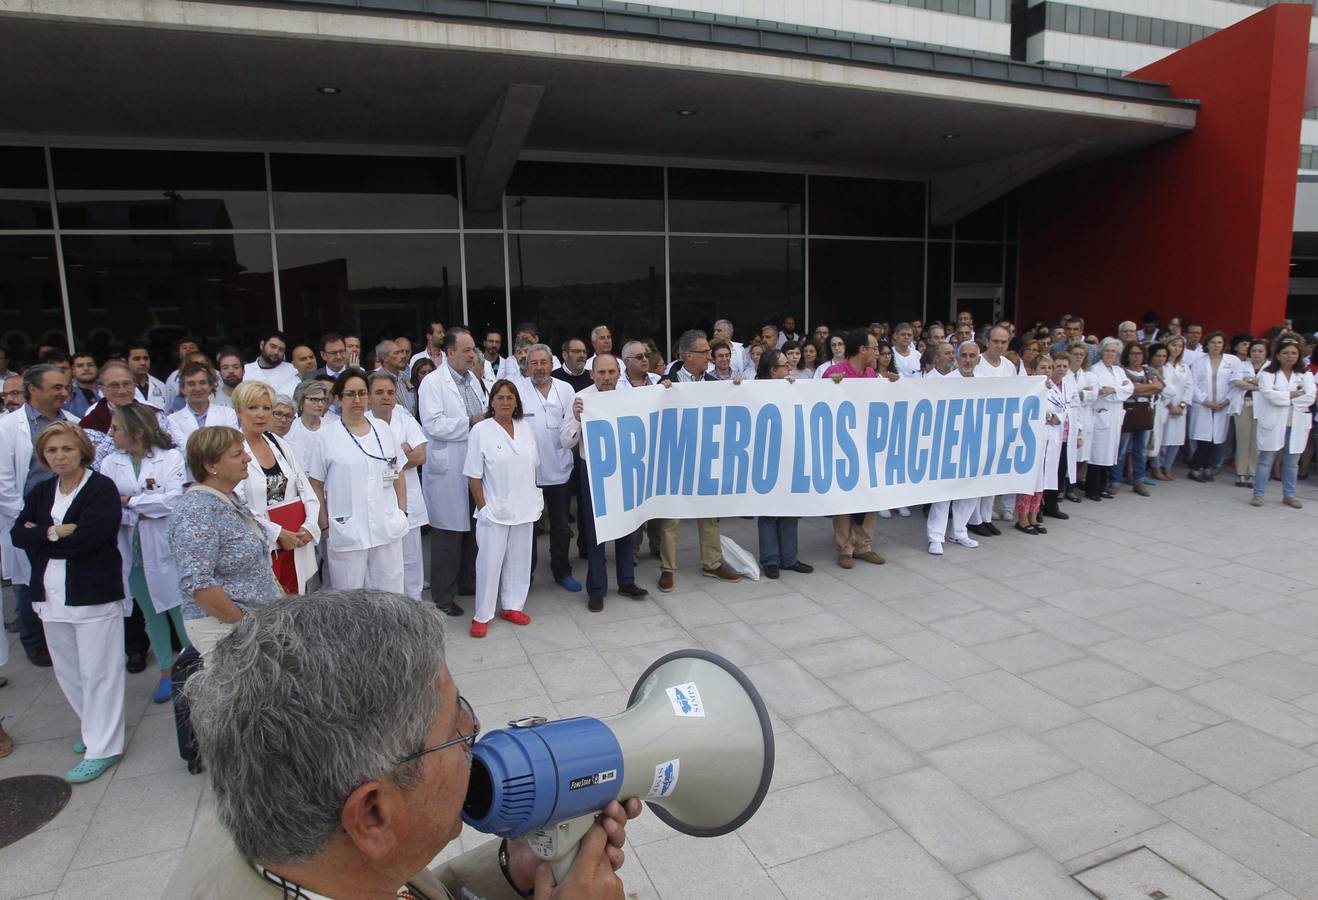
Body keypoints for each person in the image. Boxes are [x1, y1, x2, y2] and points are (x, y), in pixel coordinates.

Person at [166, 589, 640, 899]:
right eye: (456, 730)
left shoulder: (265, 829)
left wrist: (511, 869)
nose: (474, 734)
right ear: (372, 815)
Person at [11, 422, 125, 783]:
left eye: (66, 449)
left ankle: (104, 747)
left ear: (82, 451)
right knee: (69, 670)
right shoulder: (44, 491)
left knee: (100, 671)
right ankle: (93, 728)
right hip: (49, 593)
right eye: (51, 451)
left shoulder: (101, 489)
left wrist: (39, 535)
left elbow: (88, 540)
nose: (59, 456)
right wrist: (52, 531)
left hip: (91, 593)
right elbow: (17, 533)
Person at [101, 403, 191, 704]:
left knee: (179, 610)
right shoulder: (110, 464)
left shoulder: (169, 457)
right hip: (132, 551)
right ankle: (166, 671)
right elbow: (110, 505)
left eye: (116, 428)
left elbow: (174, 501)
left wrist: (131, 501)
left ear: (136, 431)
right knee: (151, 615)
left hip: (165, 548)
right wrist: (142, 503)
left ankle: (192, 668)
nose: (111, 434)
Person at [169, 426, 282, 660]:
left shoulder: (226, 499)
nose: (248, 458)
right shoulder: (196, 511)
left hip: (250, 624)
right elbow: (198, 583)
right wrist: (242, 624)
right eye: (236, 454)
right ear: (211, 466)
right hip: (225, 630)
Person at [0, 364, 76, 668]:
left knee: (60, 577)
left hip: (67, 514)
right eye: (56, 387)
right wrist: (23, 519)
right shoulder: (8, 428)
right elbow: (3, 480)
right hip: (27, 516)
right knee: (31, 583)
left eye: (64, 386)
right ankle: (34, 643)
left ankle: (64, 636)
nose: (63, 392)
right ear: (33, 390)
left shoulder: (72, 422)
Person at [561, 354, 649, 611]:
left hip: (624, 469)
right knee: (595, 531)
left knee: (626, 526)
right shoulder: (580, 399)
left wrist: (666, 388)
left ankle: (626, 581)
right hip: (593, 471)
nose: (607, 377)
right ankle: (597, 589)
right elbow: (565, 441)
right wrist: (577, 420)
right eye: (602, 373)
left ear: (619, 373)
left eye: (611, 372)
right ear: (592, 374)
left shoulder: (630, 395)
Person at [307, 370, 408, 592]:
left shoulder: (383, 430)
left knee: (390, 595)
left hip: (386, 526)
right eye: (350, 394)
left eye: (362, 393)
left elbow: (397, 471)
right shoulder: (325, 437)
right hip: (347, 530)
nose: (357, 400)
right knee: (349, 598)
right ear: (338, 399)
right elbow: (315, 485)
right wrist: (325, 526)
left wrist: (402, 512)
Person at [658, 331, 741, 591]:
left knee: (710, 512)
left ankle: (712, 562)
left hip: (706, 457)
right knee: (672, 516)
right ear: (688, 355)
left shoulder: (715, 383)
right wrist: (661, 393)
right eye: (705, 352)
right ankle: (668, 568)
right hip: (676, 458)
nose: (710, 357)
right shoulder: (664, 383)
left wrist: (739, 391)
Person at [462, 380, 542, 637]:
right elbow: (473, 475)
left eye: (510, 398)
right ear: (492, 401)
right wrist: (483, 507)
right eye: (500, 397)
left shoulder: (525, 428)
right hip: (494, 510)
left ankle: (512, 606)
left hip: (525, 507)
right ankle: (481, 616)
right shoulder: (481, 430)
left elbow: (532, 467)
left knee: (519, 561)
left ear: (516, 402)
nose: (505, 402)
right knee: (489, 564)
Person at [419, 327, 488, 618]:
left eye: (473, 349)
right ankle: (443, 598)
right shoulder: (433, 383)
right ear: (449, 353)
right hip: (449, 468)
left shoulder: (475, 380)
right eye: (467, 350)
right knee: (448, 535)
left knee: (473, 529)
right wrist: (471, 421)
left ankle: (467, 582)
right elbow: (432, 425)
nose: (472, 355)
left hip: (474, 465)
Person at [232, 381, 320, 595]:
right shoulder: (232, 449)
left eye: (266, 408)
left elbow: (304, 488)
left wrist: (309, 525)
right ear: (239, 411)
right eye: (253, 408)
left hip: (295, 543)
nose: (261, 414)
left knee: (297, 604)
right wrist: (278, 533)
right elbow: (238, 506)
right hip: (263, 547)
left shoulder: (279, 444)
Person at [517, 345, 581, 593]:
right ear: (527, 366)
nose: (539, 368)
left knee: (561, 524)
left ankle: (562, 570)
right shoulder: (518, 389)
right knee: (529, 526)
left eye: (543, 362)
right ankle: (526, 575)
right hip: (528, 472)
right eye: (534, 363)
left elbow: (572, 423)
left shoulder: (565, 389)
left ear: (551, 364)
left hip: (560, 467)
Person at [823, 331, 887, 566]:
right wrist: (831, 387)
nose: (877, 353)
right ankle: (845, 547)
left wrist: (895, 386)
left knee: (869, 493)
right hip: (842, 445)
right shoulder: (834, 373)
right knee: (845, 494)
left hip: (868, 444)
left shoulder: (871, 374)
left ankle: (863, 544)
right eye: (874, 348)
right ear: (862, 350)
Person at [366, 370, 428, 599]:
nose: (386, 397)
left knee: (411, 562)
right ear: (369, 396)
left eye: (390, 392)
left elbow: (421, 456)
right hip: (378, 505)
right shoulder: (363, 424)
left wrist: (388, 459)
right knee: (383, 567)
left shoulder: (405, 418)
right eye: (379, 392)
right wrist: (400, 453)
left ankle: (415, 608)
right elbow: (369, 465)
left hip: (409, 500)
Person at [755, 351, 813, 577]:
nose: (789, 369)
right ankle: (771, 559)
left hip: (790, 453)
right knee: (769, 510)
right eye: (784, 365)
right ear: (772, 371)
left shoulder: (793, 387)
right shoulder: (752, 389)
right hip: (765, 457)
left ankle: (789, 558)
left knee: (790, 507)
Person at [928, 343, 984, 552]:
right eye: (964, 356)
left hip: (976, 442)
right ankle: (935, 536)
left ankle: (959, 531)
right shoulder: (945, 382)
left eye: (972, 356)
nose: (968, 360)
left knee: (971, 490)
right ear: (957, 358)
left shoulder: (988, 382)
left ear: (978, 359)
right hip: (949, 443)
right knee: (944, 492)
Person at [1251, 337, 1315, 508]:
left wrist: (1284, 395)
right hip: (1274, 421)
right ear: (1278, 355)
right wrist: (1293, 394)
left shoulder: (1306, 374)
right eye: (1286, 353)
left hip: (1297, 422)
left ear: (1299, 355)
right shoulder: (1268, 373)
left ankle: (1289, 495)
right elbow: (1269, 395)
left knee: (1292, 461)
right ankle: (1258, 494)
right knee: (1266, 459)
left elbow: (1310, 397)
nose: (1290, 356)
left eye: (1294, 353)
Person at [1082, 338, 1135, 500]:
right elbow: (1100, 392)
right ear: (1101, 352)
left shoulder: (1118, 371)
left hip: (1115, 416)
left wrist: (1113, 390)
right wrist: (1118, 392)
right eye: (1107, 350)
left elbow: (1130, 389)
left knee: (1110, 453)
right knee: (1097, 454)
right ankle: (1092, 490)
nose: (1110, 354)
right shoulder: (1094, 370)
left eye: (1113, 351)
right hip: (1101, 414)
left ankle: (1103, 487)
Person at [1188, 331, 1241, 483]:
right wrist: (1205, 401)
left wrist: (1226, 401)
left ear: (1224, 345)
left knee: (1215, 440)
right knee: (1204, 440)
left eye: (1219, 342)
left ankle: (1207, 467)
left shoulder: (1232, 361)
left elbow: (1235, 383)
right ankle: (1196, 468)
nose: (1216, 345)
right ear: (1207, 344)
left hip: (1222, 405)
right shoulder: (1199, 362)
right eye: (1213, 342)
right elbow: (1194, 384)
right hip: (1203, 405)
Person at [1016, 355, 1060, 534]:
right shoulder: (1030, 387)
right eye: (1043, 367)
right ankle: (1022, 518)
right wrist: (1048, 416)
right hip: (1032, 438)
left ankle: (1034, 516)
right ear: (1034, 369)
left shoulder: (1054, 389)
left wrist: (1055, 417)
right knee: (1029, 480)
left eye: (1049, 368)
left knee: (1041, 481)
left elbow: (1061, 411)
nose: (1047, 371)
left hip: (1050, 438)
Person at [1112, 342, 1161, 496]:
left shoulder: (1149, 371)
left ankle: (1139, 480)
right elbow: (1126, 391)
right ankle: (1115, 480)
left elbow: (1158, 387)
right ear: (1127, 355)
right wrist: (1146, 389)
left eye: (1139, 353)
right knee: (1122, 449)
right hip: (1128, 413)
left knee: (1141, 450)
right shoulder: (1122, 372)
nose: (1136, 357)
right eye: (1133, 353)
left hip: (1145, 414)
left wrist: (1135, 389)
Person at [166, 360, 239, 450]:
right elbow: (185, 450)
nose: (198, 388)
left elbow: (230, 445)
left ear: (211, 386)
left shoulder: (228, 413)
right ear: (182, 389)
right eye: (191, 384)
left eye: (202, 383)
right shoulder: (172, 420)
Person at [1041, 352, 1077, 520]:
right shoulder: (1045, 385)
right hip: (1051, 434)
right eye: (1058, 366)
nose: (1061, 369)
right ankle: (1039, 508)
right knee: (1045, 472)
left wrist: (1080, 431)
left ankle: (1052, 505)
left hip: (1066, 436)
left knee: (1060, 471)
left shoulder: (1070, 385)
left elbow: (1075, 408)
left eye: (1065, 366)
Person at [1150, 337, 1190, 481]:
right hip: (1165, 406)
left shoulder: (1185, 366)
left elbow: (1189, 387)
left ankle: (1168, 466)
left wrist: (1182, 405)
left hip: (1180, 409)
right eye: (1174, 345)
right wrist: (1170, 406)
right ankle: (1157, 466)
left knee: (1176, 440)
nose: (1177, 348)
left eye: (1180, 346)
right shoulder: (1162, 365)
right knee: (1161, 439)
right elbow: (1162, 388)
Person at [1232, 338, 1269, 488]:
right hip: (1244, 405)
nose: (1256, 354)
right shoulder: (1242, 365)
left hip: (1263, 408)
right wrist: (1257, 385)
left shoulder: (1271, 367)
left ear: (1266, 353)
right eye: (1253, 350)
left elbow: (1270, 386)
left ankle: (1253, 473)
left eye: (1260, 351)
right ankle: (1241, 473)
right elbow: (1237, 382)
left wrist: (1251, 381)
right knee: (1242, 439)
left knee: (1257, 441)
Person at [285, 378, 336, 466]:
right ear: (301, 402)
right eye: (314, 399)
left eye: (322, 400)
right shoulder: (289, 430)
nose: (320, 404)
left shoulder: (333, 428)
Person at [243, 331, 300, 398]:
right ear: (262, 345)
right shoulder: (246, 370)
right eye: (273, 347)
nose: (276, 352)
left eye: (281, 349)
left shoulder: (291, 370)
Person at [162, 337, 201, 411]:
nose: (188, 350)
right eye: (184, 348)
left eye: (192, 347)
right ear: (179, 354)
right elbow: (168, 403)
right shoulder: (173, 377)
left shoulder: (214, 373)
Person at [126, 343, 167, 408]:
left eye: (146, 358)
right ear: (125, 362)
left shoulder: (161, 386)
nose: (143, 363)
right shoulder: (119, 388)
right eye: (137, 359)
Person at [65, 352, 100, 418]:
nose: (86, 368)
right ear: (72, 370)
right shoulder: (68, 394)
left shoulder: (108, 387)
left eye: (90, 365)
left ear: (97, 368)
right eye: (80, 366)